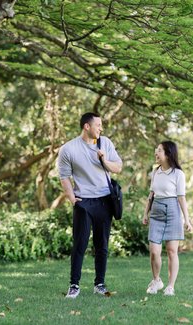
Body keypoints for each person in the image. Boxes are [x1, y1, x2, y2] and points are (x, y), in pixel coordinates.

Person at [58, 112, 122, 299]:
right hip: (83, 202)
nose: (101, 128)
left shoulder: (106, 143)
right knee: (80, 244)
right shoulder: (68, 149)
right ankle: (74, 285)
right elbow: (64, 176)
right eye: (98, 125)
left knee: (102, 245)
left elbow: (118, 168)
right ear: (87, 126)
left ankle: (99, 284)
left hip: (104, 200)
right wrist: (72, 198)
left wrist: (104, 160)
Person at [142, 141, 193, 296]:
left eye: (159, 151)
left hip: (173, 212)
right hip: (156, 212)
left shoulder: (178, 174)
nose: (156, 153)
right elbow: (151, 195)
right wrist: (146, 213)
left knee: (172, 251)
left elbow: (181, 198)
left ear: (168, 154)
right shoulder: (156, 172)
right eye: (156, 150)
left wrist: (187, 219)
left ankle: (170, 286)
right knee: (154, 251)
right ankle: (157, 280)